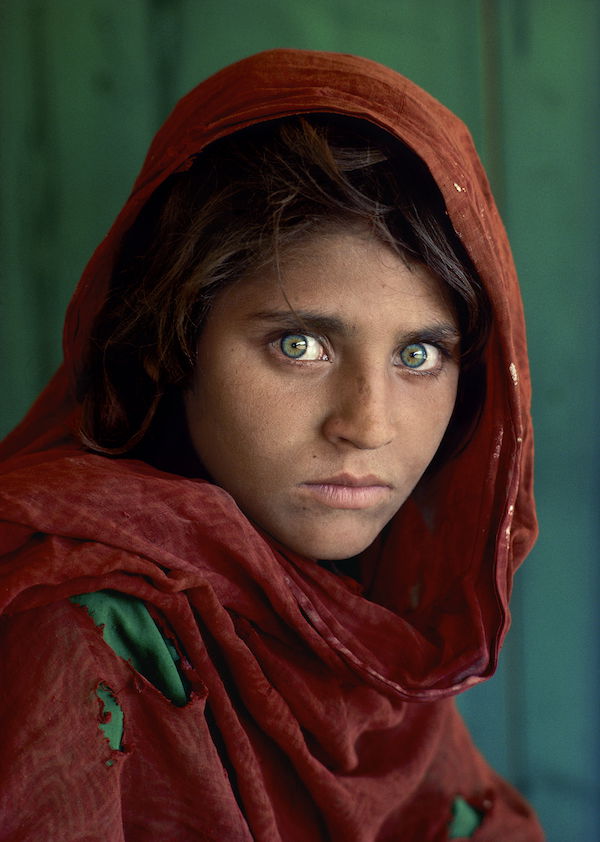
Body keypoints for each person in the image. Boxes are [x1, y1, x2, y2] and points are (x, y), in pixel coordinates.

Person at [0, 49, 543, 840]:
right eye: (299, 346)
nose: (368, 424)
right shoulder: (76, 632)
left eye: (419, 355)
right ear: (173, 336)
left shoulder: (365, 636)